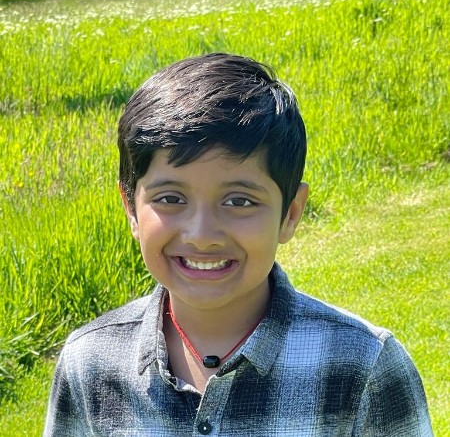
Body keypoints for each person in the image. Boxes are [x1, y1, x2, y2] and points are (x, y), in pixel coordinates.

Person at [44, 53, 433, 436]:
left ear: (291, 213)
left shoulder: (364, 367)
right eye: (171, 199)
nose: (201, 234)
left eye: (239, 202)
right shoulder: (90, 362)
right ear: (131, 207)